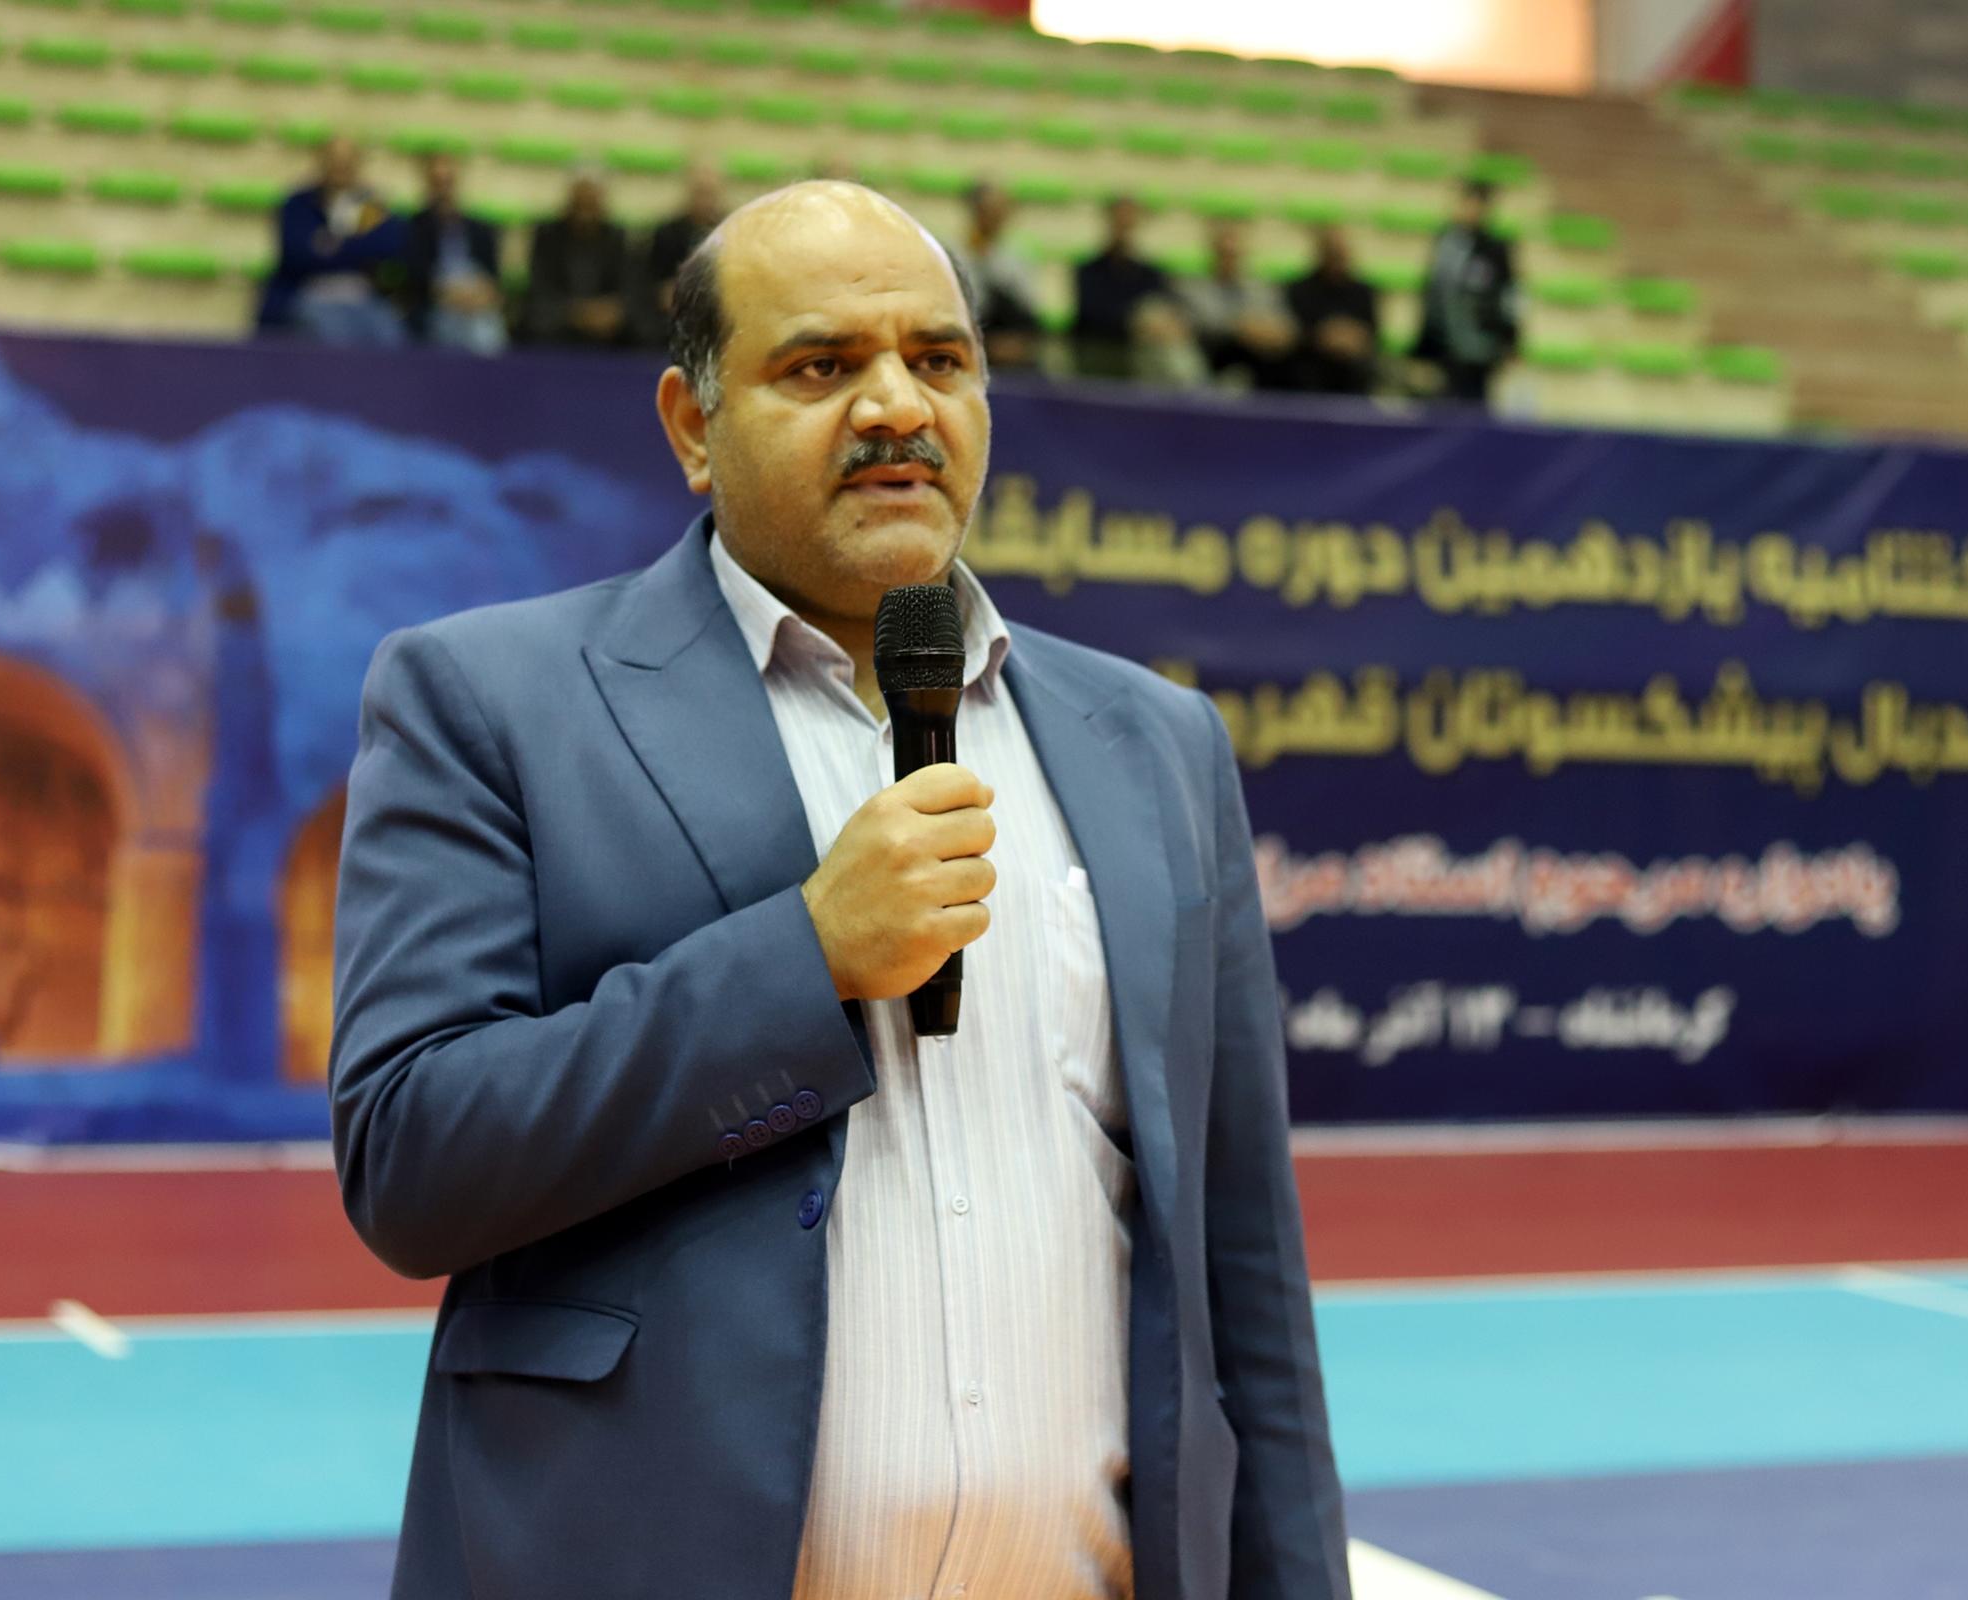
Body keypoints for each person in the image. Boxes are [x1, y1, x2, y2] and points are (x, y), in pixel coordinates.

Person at [330, 180, 1350, 1600]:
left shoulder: (1157, 743)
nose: (896, 407)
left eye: (939, 360)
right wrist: (803, 961)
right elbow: (413, 1160)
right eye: (820, 367)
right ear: (694, 426)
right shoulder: (491, 700)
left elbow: (1243, 1279)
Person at [256, 135, 406, 346]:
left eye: (347, 161)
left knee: (391, 337)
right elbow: (296, 255)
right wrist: (357, 245)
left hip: (365, 298)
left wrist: (331, 245)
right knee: (337, 337)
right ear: (322, 162)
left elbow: (389, 247)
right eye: (335, 160)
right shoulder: (298, 204)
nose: (340, 167)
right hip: (312, 296)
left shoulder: (371, 205)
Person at [1413, 178, 1521, 404]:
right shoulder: (1445, 241)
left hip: (1480, 344)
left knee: (1474, 402)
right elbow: (1432, 291)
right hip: (1444, 343)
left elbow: (1509, 296)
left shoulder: (1495, 248)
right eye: (1466, 202)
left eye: (1476, 204)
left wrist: (1511, 339)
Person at [399, 152, 506, 355]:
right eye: (437, 182)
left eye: (448, 182)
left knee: (486, 331)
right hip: (437, 306)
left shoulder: (480, 229)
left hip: (477, 305)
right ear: (428, 185)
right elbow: (414, 276)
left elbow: (494, 278)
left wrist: (482, 296)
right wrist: (448, 295)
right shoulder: (414, 227)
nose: (443, 189)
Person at [1177, 218, 1295, 389]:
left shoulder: (1263, 289)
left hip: (1256, 355)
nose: (1229, 259)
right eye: (1224, 253)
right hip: (1212, 353)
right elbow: (1194, 323)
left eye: (1233, 254)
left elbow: (1284, 325)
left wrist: (1271, 332)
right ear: (1213, 253)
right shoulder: (1190, 287)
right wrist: (1240, 327)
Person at [521, 169, 631, 347]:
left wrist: (609, 311)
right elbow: (540, 290)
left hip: (607, 326)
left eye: (590, 204)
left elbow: (629, 288)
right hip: (560, 321)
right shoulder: (547, 236)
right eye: (580, 204)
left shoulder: (617, 238)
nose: (585, 213)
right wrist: (578, 313)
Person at [1071, 193, 1175, 379]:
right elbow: (1091, 315)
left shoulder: (1152, 274)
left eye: (1129, 221)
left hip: (1143, 350)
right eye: (1120, 220)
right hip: (1101, 350)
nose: (1124, 226)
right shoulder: (1088, 271)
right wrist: (1135, 323)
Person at [633, 164, 727, 346]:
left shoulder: (730, 232)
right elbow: (650, 280)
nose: (705, 201)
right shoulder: (666, 233)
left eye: (709, 193)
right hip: (670, 316)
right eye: (700, 193)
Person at [1283, 225, 1381, 396]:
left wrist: (1352, 339)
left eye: (1340, 253)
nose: (1337, 258)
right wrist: (1325, 337)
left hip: (1353, 362)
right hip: (1312, 360)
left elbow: (1372, 330)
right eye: (1332, 252)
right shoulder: (1299, 289)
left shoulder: (1363, 291)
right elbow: (1295, 331)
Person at [958, 180, 1044, 369]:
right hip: (970, 344)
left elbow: (1028, 310)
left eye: (999, 210)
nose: (994, 216)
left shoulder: (1019, 255)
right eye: (987, 210)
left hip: (1014, 348)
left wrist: (1016, 343)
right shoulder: (956, 254)